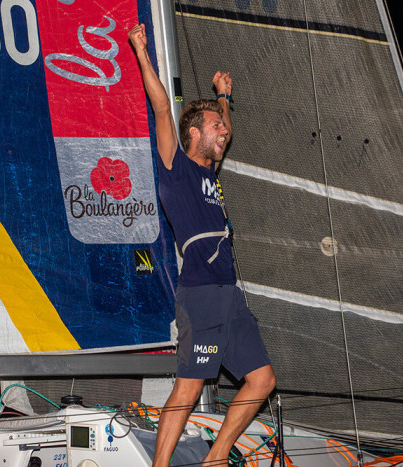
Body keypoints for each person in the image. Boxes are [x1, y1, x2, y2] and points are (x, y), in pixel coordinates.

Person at [128, 24, 276, 466]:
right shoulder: (178, 168)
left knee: (263, 380)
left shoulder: (211, 174)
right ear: (193, 133)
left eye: (223, 128)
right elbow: (159, 106)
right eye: (214, 127)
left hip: (229, 296)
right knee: (189, 387)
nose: (223, 132)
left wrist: (223, 98)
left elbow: (225, 125)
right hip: (200, 298)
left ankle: (215, 458)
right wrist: (141, 52)